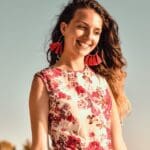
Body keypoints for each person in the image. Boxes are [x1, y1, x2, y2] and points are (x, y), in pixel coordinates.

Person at [29, 0, 131, 149]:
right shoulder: (45, 81)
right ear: (64, 28)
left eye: (96, 32)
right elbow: (39, 147)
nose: (89, 37)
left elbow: (119, 144)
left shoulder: (102, 84)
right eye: (82, 27)